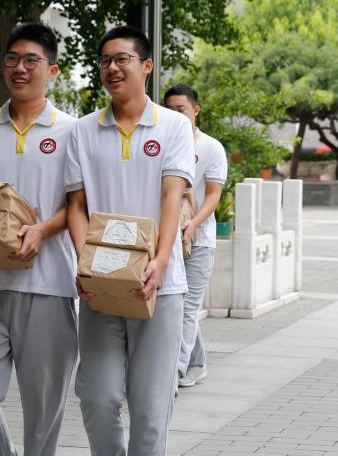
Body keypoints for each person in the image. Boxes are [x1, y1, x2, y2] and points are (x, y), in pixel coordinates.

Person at [65, 25, 195, 456]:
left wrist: (161, 260)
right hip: (100, 285)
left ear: (147, 66)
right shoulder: (83, 130)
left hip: (160, 286)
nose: (113, 68)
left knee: (150, 409)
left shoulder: (173, 126)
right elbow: (77, 205)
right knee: (97, 396)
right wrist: (85, 262)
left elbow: (172, 197)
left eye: (122, 59)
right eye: (105, 61)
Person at [0, 23, 79, 456]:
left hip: (48, 285)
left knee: (43, 410)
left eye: (31, 61)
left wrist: (42, 230)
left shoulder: (72, 130)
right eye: (12, 59)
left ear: (53, 71)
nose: (19, 68)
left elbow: (78, 204)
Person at [163, 84, 227, 389]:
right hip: (165, 238)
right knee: (174, 307)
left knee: (187, 308)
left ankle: (171, 376)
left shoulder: (211, 147)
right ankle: (196, 363)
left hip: (198, 241)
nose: (176, 115)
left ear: (195, 110)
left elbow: (214, 194)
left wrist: (194, 224)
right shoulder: (160, 143)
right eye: (170, 110)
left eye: (182, 109)